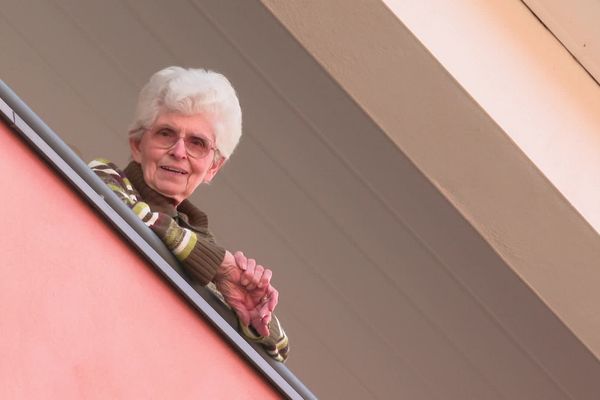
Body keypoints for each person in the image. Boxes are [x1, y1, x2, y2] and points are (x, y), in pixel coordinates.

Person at [89, 66, 288, 361]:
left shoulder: (199, 243)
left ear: (213, 167)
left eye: (197, 143)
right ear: (137, 145)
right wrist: (219, 265)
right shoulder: (104, 177)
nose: (179, 151)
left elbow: (280, 349)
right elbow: (140, 217)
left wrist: (256, 318)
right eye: (166, 134)